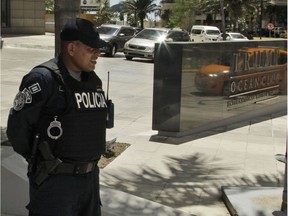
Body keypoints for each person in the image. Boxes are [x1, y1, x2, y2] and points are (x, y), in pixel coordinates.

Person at [6, 18, 112, 216]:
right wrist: (40, 159)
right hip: (56, 184)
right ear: (72, 48)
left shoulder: (93, 81)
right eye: (92, 49)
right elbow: (17, 129)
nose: (98, 53)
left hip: (89, 182)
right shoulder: (43, 79)